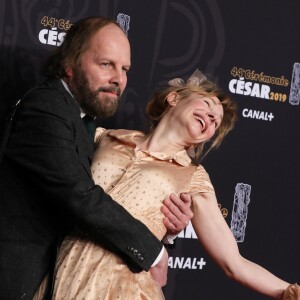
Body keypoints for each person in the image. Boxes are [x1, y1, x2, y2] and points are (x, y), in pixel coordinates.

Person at [52, 69, 299, 299]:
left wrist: (288, 291)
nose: (212, 119)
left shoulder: (193, 176)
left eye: (216, 123)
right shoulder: (105, 137)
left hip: (125, 288)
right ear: (173, 98)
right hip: (61, 271)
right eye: (208, 104)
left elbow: (234, 263)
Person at [0, 16, 193, 299]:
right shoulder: (47, 107)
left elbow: (109, 202)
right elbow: (80, 197)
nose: (118, 79)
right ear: (69, 63)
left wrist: (167, 229)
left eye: (125, 69)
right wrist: (153, 252)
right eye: (106, 65)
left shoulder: (81, 120)